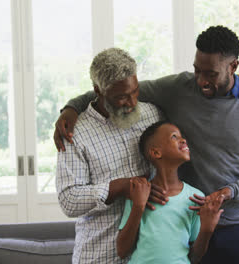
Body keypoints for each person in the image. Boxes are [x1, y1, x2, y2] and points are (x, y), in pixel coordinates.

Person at [56, 25, 239, 263]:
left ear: (233, 67)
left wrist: (230, 192)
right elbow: (114, 89)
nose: (201, 81)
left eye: (211, 74)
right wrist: (72, 107)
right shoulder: (177, 88)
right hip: (182, 224)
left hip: (237, 226)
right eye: (197, 71)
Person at [56, 47, 164, 264]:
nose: (132, 102)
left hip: (149, 255)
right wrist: (123, 186)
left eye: (135, 91)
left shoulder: (153, 114)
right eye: (121, 97)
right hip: (100, 255)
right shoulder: (75, 132)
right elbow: (68, 201)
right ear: (98, 90)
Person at [117, 121, 223, 264]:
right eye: (174, 137)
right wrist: (138, 206)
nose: (183, 140)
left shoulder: (195, 197)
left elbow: (195, 257)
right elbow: (122, 251)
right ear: (156, 152)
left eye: (181, 136)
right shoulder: (139, 192)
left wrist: (207, 229)